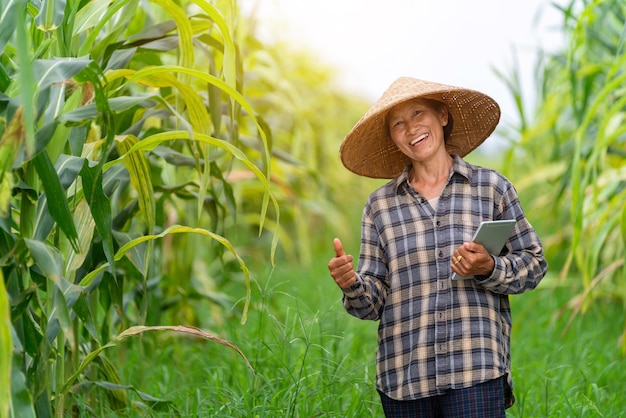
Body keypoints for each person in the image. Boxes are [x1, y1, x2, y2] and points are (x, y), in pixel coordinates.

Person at [327, 77, 548, 417]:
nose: (411, 127)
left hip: (476, 369)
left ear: (442, 115)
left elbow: (534, 263)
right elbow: (371, 304)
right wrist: (351, 283)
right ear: (393, 137)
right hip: (405, 378)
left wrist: (489, 267)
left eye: (418, 113)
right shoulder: (379, 207)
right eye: (398, 123)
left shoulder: (492, 188)